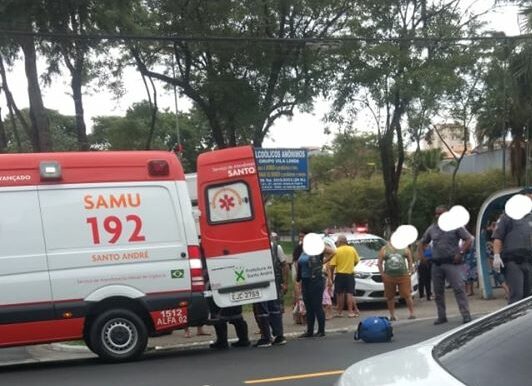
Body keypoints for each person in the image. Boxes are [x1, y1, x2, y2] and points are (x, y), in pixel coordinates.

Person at [419, 205, 473, 325]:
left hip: (452, 263)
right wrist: (422, 256)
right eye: (437, 214)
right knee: (438, 292)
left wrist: (461, 252)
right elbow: (422, 242)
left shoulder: (455, 226)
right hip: (437, 263)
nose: (438, 216)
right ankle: (441, 316)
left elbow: (468, 239)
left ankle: (466, 314)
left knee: (459, 288)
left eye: (441, 213)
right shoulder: (432, 229)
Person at [492, 189, 532, 304]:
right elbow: (498, 237)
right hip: (513, 261)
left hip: (528, 260)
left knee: (528, 296)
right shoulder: (507, 217)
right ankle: (513, 319)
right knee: (516, 294)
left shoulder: (530, 217)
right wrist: (496, 255)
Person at [252, 232, 290, 347]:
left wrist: (285, 282)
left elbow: (284, 266)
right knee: (275, 309)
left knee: (263, 310)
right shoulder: (276, 247)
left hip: (262, 282)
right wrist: (285, 282)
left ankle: (266, 338)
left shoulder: (256, 248)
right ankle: (279, 336)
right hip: (274, 282)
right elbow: (284, 265)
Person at [296, 241, 334, 338]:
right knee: (308, 306)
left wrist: (322, 262)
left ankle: (321, 330)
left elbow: (333, 252)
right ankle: (310, 331)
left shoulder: (317, 249)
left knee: (316, 305)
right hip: (305, 280)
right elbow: (300, 263)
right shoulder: (304, 250)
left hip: (316, 279)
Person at [377, 240, 416, 321]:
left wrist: (410, 269)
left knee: (407, 295)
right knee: (390, 296)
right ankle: (392, 315)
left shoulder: (404, 248)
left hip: (403, 276)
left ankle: (412, 313)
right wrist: (382, 274)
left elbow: (409, 258)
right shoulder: (384, 249)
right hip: (389, 276)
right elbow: (379, 262)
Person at [328, 235, 360, 318]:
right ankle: (350, 312)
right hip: (350, 274)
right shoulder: (352, 249)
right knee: (350, 293)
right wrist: (351, 265)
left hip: (340, 274)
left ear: (340, 242)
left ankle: (340, 312)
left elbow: (332, 266)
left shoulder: (336, 251)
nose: (337, 243)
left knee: (340, 294)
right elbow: (356, 261)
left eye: (337, 242)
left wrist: (331, 277)